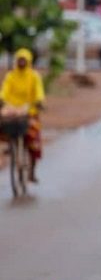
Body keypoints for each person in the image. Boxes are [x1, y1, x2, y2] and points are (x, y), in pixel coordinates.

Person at [0, 49, 45, 183]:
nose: (21, 62)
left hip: (29, 112)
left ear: (28, 62)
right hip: (12, 112)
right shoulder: (11, 76)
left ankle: (32, 171)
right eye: (19, 60)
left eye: (24, 60)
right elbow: (4, 91)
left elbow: (39, 91)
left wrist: (39, 102)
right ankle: (9, 148)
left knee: (34, 141)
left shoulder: (34, 76)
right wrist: (2, 100)